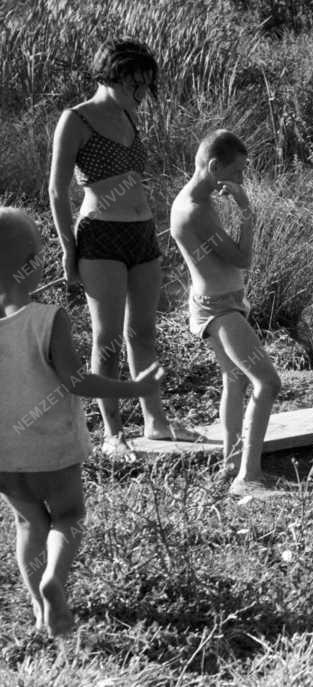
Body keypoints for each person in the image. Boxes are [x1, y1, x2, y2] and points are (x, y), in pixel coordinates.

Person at [0, 207, 163, 636]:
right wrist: (135, 389)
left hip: (6, 457)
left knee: (28, 523)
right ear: (31, 265)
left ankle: (40, 610)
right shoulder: (48, 318)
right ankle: (55, 580)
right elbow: (77, 381)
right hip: (52, 448)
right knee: (68, 516)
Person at [48, 37, 201, 458]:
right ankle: (112, 433)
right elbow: (57, 191)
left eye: (146, 85)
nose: (141, 94)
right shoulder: (76, 118)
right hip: (99, 236)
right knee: (108, 340)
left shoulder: (131, 115)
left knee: (144, 332)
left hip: (142, 234)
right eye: (134, 84)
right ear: (111, 73)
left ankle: (156, 420)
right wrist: (67, 249)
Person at [169, 129, 282, 499]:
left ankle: (231, 461)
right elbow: (242, 258)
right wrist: (247, 211)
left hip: (217, 304)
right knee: (267, 382)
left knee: (234, 378)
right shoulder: (197, 211)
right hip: (220, 310)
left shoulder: (195, 197)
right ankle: (248, 475)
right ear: (215, 167)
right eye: (239, 172)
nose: (242, 180)